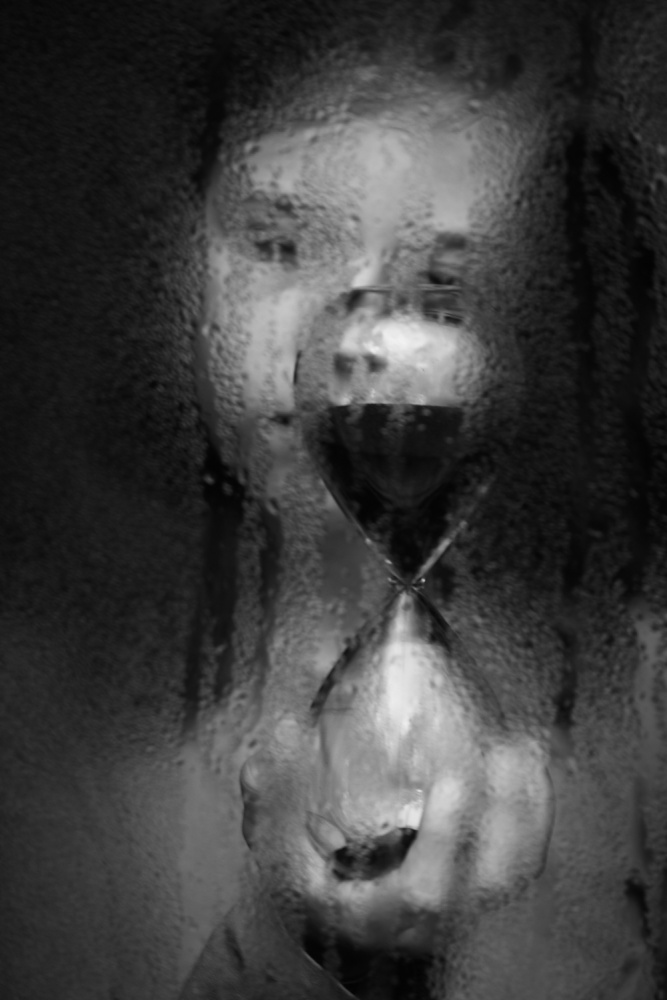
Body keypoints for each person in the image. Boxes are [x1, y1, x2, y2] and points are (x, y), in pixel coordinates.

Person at [182, 2, 664, 997]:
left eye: (443, 286)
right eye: (280, 243)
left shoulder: (622, 697)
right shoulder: (90, 681)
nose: (355, 339)